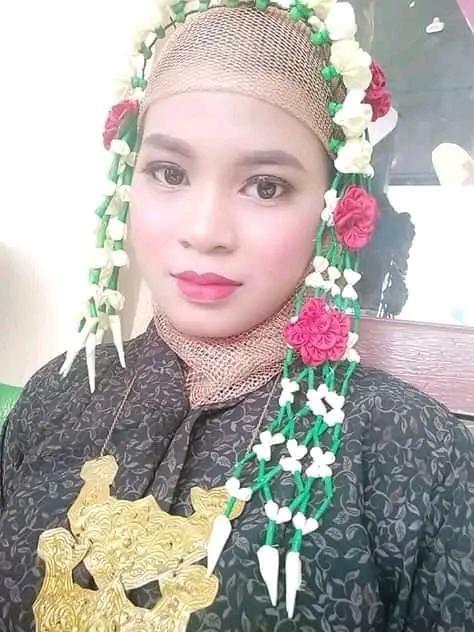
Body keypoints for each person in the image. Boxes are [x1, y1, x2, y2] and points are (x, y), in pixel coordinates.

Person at [1, 1, 473, 630]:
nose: (204, 231)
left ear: (333, 208)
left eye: (266, 186)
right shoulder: (56, 397)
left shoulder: (414, 451)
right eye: (169, 172)